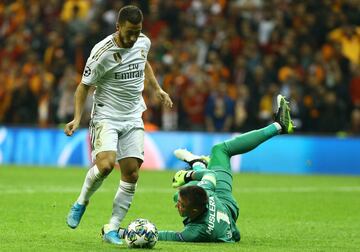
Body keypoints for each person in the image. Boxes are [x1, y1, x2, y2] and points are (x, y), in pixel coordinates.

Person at [64, 5, 173, 245]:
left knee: (132, 173)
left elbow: (144, 63)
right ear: (118, 27)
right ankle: (81, 201)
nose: (134, 37)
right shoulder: (101, 52)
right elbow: (83, 86)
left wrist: (157, 89)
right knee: (105, 166)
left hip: (133, 114)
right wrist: (77, 118)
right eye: (129, 32)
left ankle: (112, 228)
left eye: (138, 31)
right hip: (107, 115)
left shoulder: (143, 42)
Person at [158, 94, 293, 242]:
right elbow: (209, 175)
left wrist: (130, 233)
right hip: (226, 204)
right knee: (218, 151)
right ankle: (279, 125)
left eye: (182, 206)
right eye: (181, 205)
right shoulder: (202, 220)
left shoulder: (198, 225)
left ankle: (198, 162)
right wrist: (187, 175)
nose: (177, 206)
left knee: (177, 194)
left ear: (195, 210)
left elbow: (169, 236)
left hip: (222, 206)